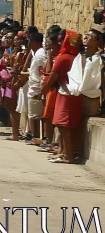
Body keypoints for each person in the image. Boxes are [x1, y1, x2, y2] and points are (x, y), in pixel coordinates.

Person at [43, 31, 81, 164]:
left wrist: (42, 91)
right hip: (74, 94)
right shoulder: (78, 57)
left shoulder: (62, 57)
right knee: (65, 125)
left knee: (62, 124)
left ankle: (68, 156)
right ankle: (64, 153)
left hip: (65, 94)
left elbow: (53, 76)